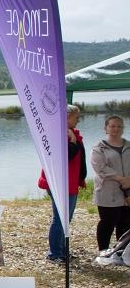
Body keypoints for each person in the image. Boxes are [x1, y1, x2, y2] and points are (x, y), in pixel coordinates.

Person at [39, 104, 85, 262]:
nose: (78, 120)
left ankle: (63, 250)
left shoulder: (72, 133)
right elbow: (66, 156)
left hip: (70, 182)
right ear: (67, 118)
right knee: (60, 219)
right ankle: (54, 253)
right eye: (76, 117)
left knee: (66, 219)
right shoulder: (56, 134)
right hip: (59, 183)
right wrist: (73, 142)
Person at [90, 114, 130, 252]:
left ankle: (121, 252)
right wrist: (121, 179)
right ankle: (103, 251)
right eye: (112, 126)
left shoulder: (129, 145)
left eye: (119, 126)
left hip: (128, 191)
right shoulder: (99, 148)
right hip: (107, 191)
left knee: (125, 223)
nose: (116, 129)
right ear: (106, 128)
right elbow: (100, 167)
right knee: (107, 222)